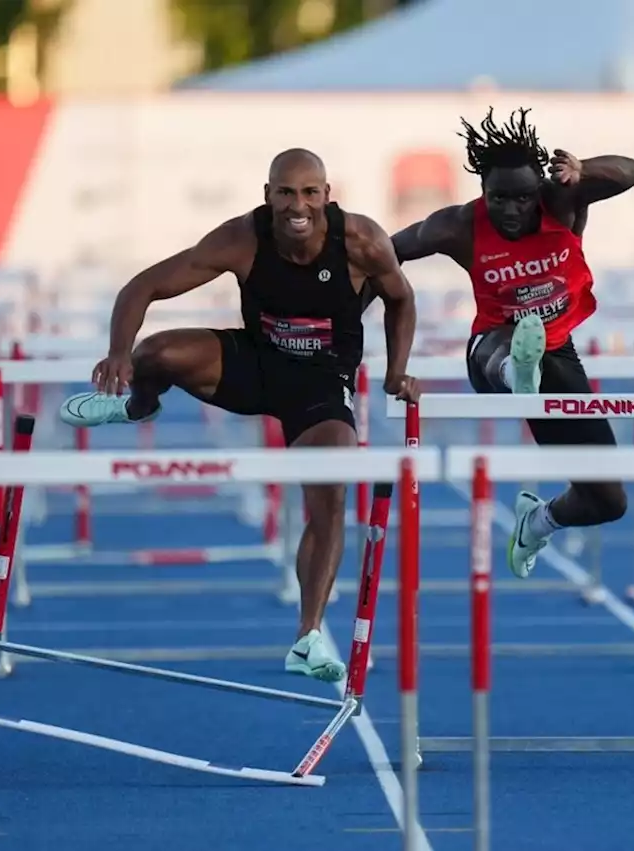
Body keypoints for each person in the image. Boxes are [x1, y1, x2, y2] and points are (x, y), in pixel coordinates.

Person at [58, 149, 420, 683]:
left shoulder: (361, 241)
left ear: (326, 195)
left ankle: (308, 635)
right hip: (253, 365)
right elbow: (143, 286)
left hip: (320, 385)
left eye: (309, 193)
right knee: (154, 354)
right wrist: (118, 352)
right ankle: (136, 405)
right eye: (286, 192)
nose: (298, 205)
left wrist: (396, 371)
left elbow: (402, 300)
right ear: (268, 194)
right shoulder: (242, 238)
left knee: (330, 490)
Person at [390, 107, 634, 578]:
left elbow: (632, 172)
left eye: (523, 198)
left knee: (607, 500)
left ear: (538, 191)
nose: (511, 210)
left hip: (556, 352)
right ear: (482, 191)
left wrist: (584, 169)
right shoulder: (458, 226)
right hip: (490, 350)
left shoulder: (563, 201)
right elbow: (383, 252)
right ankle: (516, 373)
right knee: (508, 347)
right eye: (499, 198)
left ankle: (537, 520)